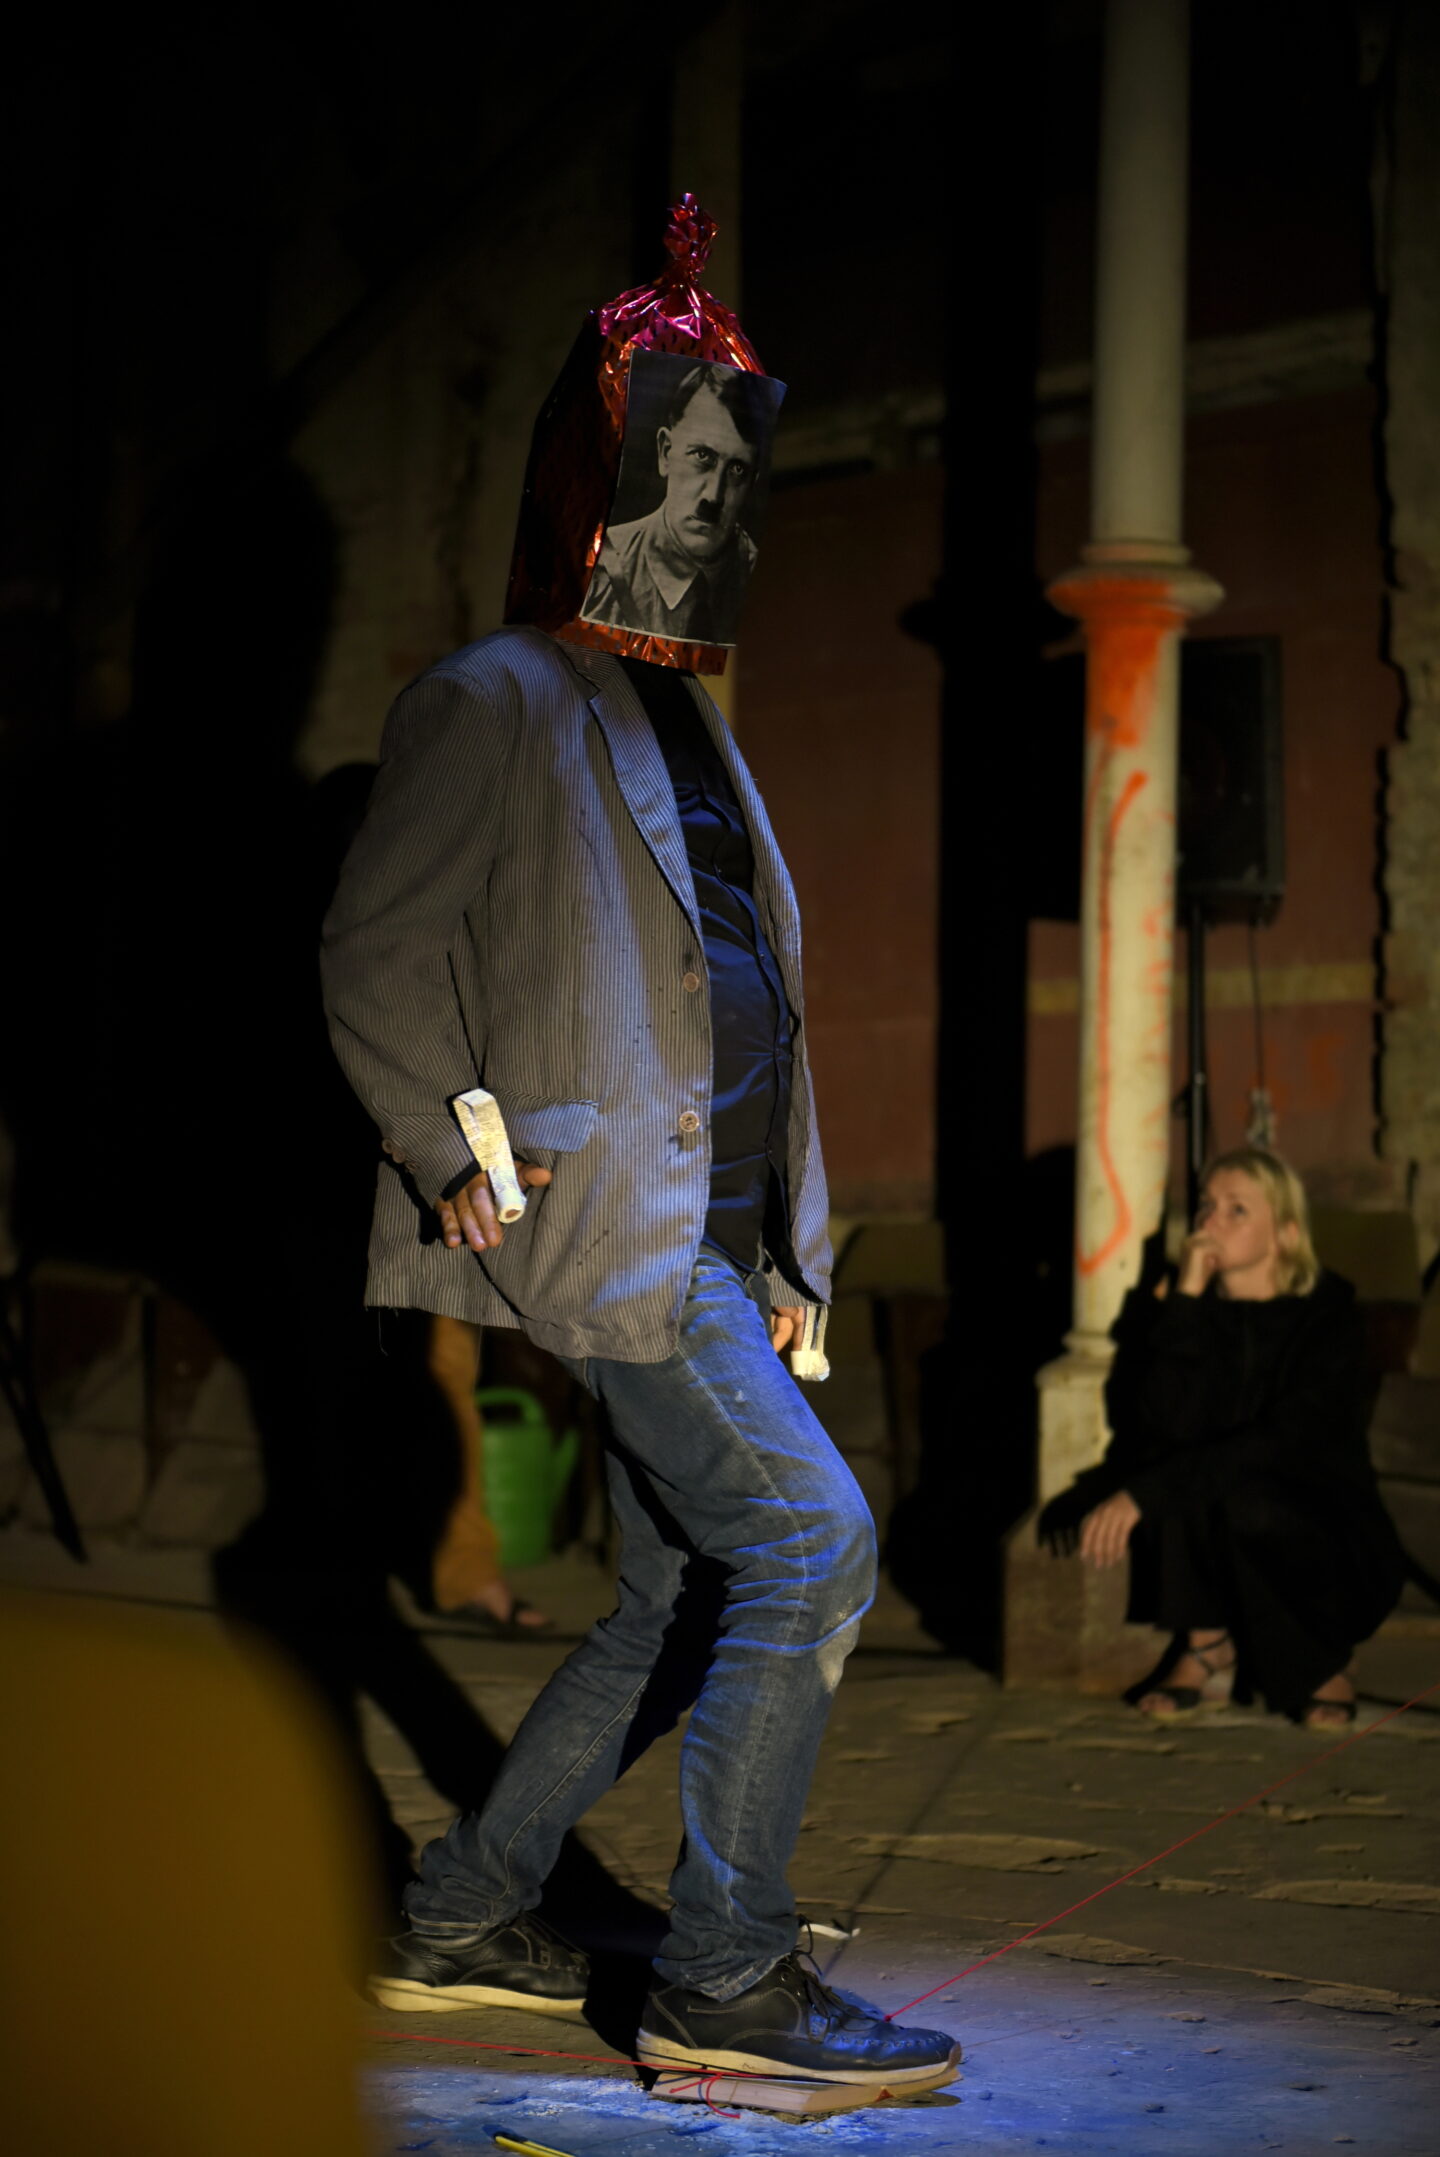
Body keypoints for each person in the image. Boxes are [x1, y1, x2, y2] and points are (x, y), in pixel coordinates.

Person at [318, 204, 960, 2099]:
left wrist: (789, 1245)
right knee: (814, 1545)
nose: (712, 508)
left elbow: (740, 981)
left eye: (730, 476)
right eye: (681, 468)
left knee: (680, 1592)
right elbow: (373, 947)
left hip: (718, 1234)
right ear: (600, 484)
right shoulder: (490, 697)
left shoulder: (688, 717)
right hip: (611, 1220)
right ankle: (724, 1979)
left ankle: (458, 1917)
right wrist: (441, 1138)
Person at [1042, 1148, 1404, 1729]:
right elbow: (1164, 1420)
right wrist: (1185, 1298)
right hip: (1223, 1506)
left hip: (1327, 1529)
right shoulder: (1195, 1314)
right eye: (1207, 1206)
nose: (1211, 1220)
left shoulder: (1328, 1316)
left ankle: (1325, 1658)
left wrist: (1144, 1495)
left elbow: (1286, 1440)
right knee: (1173, 1461)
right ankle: (1206, 1644)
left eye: (1237, 1209)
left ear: (1285, 1234)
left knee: (1230, 1494)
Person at [580, 362, 766, 646]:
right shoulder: (600, 573)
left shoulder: (762, 586)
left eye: (737, 470)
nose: (713, 496)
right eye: (702, 456)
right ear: (665, 453)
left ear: (752, 483)